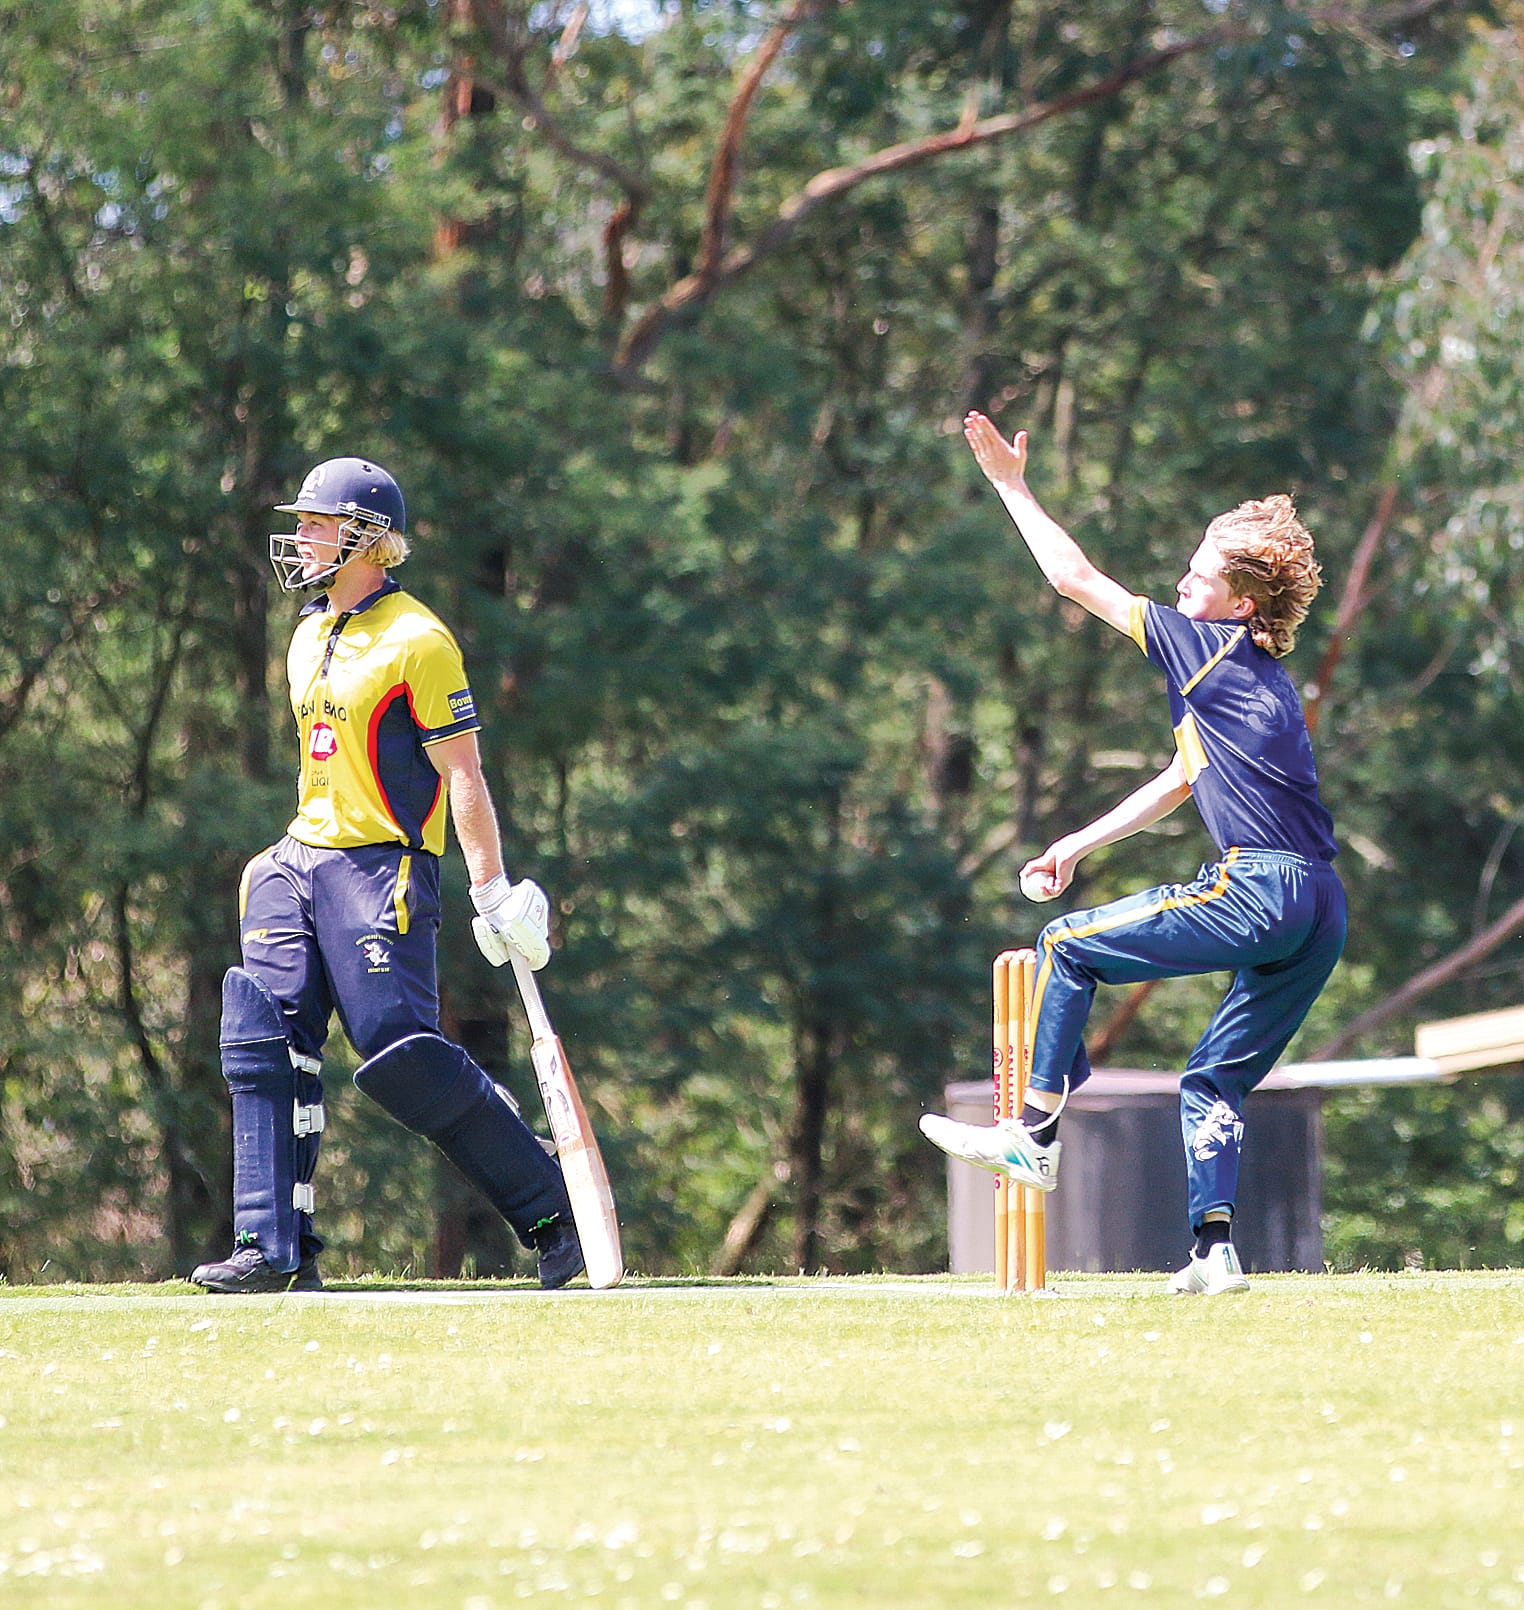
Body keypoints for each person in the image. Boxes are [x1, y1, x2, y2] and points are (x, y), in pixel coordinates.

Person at [920, 414, 1347, 1295]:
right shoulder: (1255, 681)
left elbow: (1071, 577)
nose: (1184, 581)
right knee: (1212, 1082)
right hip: (1321, 910)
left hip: (1259, 888)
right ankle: (1214, 1251)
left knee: (1065, 947)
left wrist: (1010, 485)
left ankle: (1033, 1138)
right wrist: (1075, 842)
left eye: (1203, 574)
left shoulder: (1205, 648)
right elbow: (1180, 782)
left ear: (1241, 604)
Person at [191, 456, 585, 1293]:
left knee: (402, 1057)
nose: (299, 539)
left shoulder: (420, 640)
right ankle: (273, 1250)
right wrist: (281, 856)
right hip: (298, 862)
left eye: (315, 524)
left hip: (381, 869)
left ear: (366, 538)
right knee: (264, 1037)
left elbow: (463, 775)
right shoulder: (306, 633)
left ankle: (554, 1208)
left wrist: (491, 887)